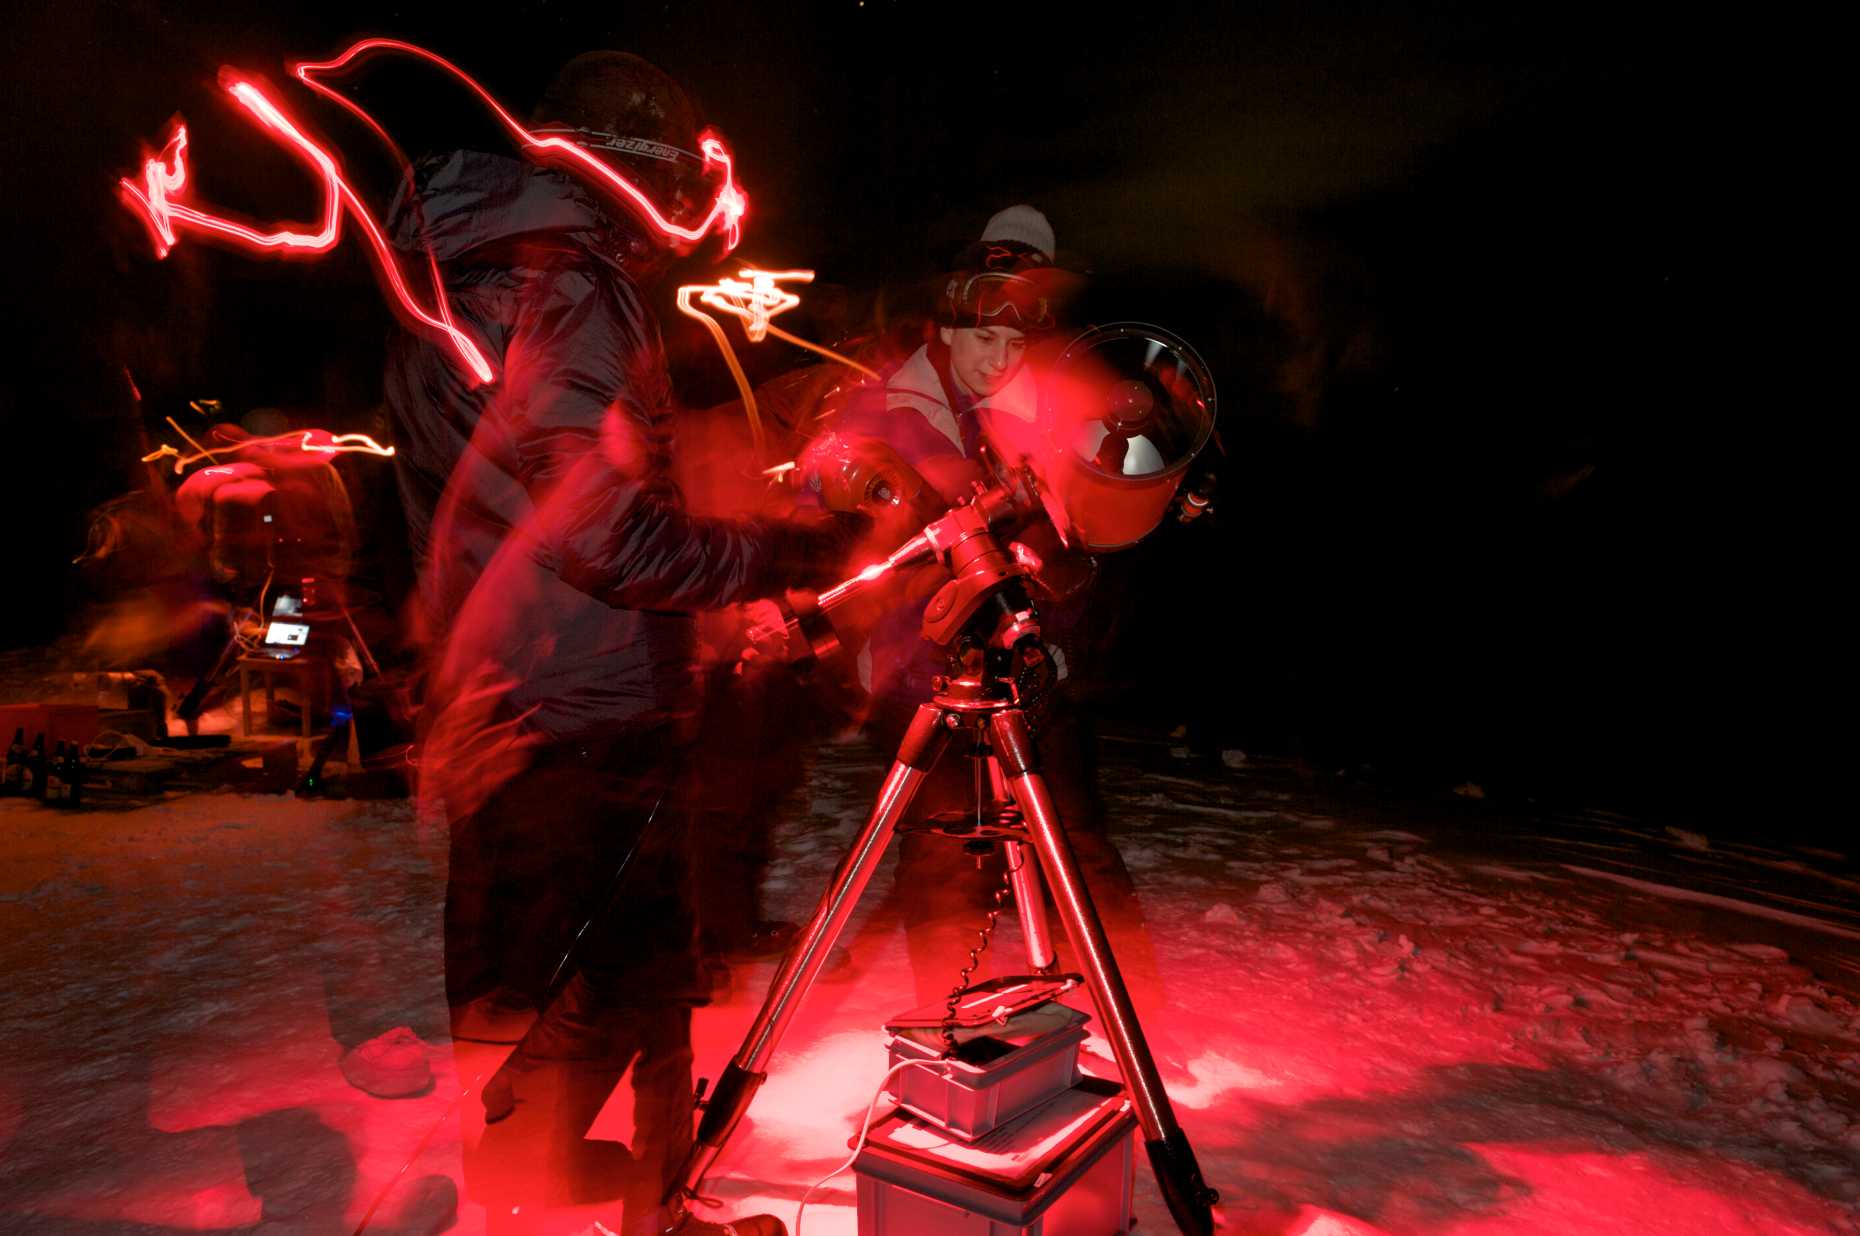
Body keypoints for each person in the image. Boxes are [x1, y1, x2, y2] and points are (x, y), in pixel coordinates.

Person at [381, 50, 851, 1236]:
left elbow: (512, 502)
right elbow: (605, 538)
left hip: (516, 693)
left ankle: (641, 1204)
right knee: (603, 992)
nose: (694, 209)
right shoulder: (574, 283)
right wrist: (774, 557)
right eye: (681, 175)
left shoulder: (469, 263)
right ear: (633, 171)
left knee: (574, 990)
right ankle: (594, 1208)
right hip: (583, 712)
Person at [803, 207, 1169, 1020]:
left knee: (1075, 841)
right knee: (947, 857)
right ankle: (948, 1029)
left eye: (1011, 343)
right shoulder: (897, 401)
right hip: (922, 670)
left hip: (1023, 661)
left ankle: (1129, 1018)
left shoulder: (1022, 399)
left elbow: (1080, 516)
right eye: (981, 339)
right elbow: (850, 477)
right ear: (942, 327)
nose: (997, 358)